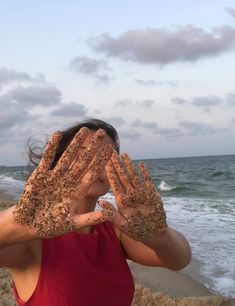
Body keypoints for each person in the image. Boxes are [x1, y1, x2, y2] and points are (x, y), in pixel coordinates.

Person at [0, 118, 191, 306]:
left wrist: (160, 235)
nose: (95, 164)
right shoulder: (31, 236)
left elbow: (179, 260)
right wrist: (14, 223)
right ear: (58, 162)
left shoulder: (115, 232)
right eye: (84, 155)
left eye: (105, 157)